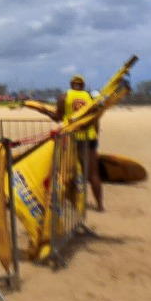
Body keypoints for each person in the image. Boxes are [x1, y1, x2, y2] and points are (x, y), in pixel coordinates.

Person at [55, 74, 104, 213]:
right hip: (89, 138)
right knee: (94, 173)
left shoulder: (64, 97)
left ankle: (64, 203)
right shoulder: (90, 98)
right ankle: (100, 205)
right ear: (82, 86)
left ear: (71, 85)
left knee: (66, 171)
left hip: (72, 137)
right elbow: (96, 120)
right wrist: (96, 135)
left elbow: (58, 116)